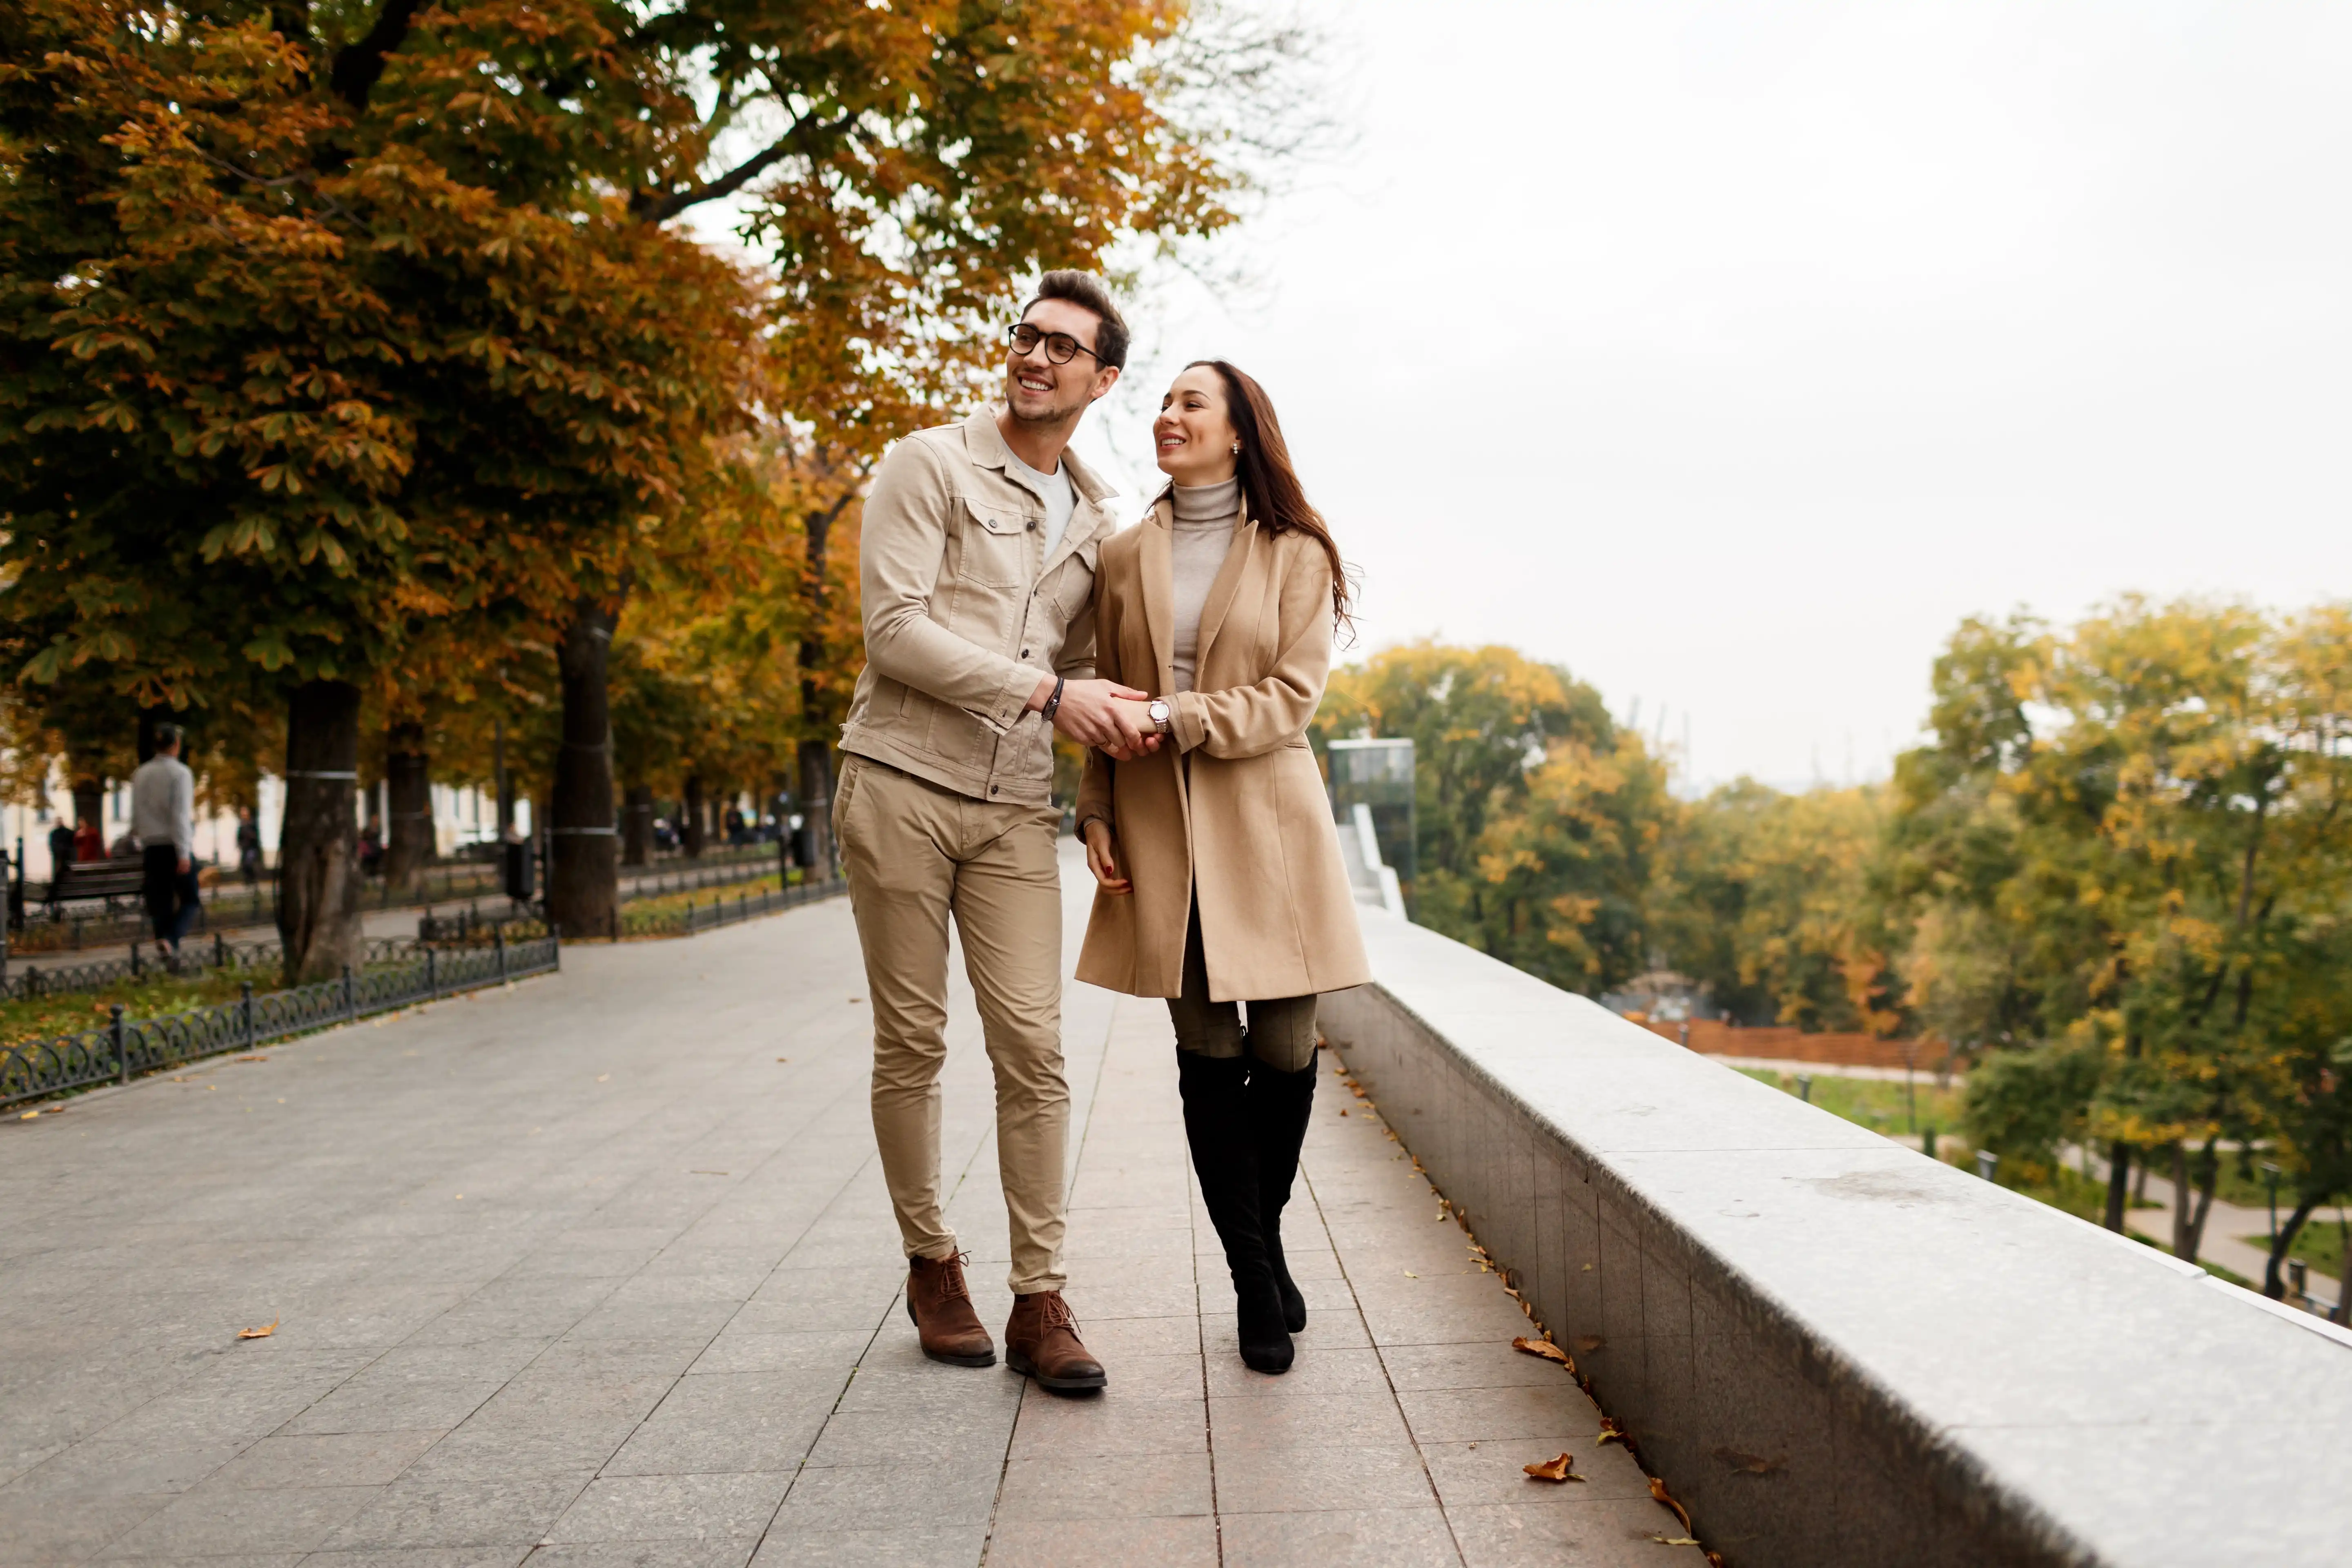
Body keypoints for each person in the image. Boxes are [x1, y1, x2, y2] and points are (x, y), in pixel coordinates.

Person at [835, 270, 1159, 1394]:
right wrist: (1048, 695)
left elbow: (1088, 670)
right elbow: (893, 631)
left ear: (1101, 381)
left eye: (1063, 346)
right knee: (913, 1041)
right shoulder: (927, 463)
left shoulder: (1103, 520)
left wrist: (1102, 787)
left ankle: (1040, 1298)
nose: (1034, 355)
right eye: (1026, 336)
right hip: (898, 781)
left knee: (1033, 1046)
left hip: (1015, 805)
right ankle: (933, 1264)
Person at [1073, 359, 1370, 1375]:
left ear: (1239, 430)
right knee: (1206, 1054)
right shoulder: (1123, 556)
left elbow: (1291, 695)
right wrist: (1095, 808)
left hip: (1269, 824)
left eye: (1189, 402)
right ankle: (1254, 1279)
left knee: (1284, 1050)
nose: (1168, 415)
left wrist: (1180, 713)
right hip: (1159, 827)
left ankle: (1264, 1243)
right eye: (1162, 402)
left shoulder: (1295, 550)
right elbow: (1107, 694)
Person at [131, 724, 201, 953]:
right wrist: (184, 852)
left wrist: (139, 839)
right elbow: (180, 815)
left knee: (160, 901)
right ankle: (171, 940)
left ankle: (165, 945)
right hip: (173, 844)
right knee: (190, 898)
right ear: (176, 745)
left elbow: (136, 813)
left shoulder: (141, 773)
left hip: (151, 845)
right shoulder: (181, 773)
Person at [235, 806, 263, 886]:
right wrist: (240, 844)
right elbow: (239, 836)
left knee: (249, 863)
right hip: (245, 848)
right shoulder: (242, 825)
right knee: (244, 865)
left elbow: (256, 836)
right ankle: (248, 880)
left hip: (252, 847)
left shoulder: (252, 823)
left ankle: (252, 879)